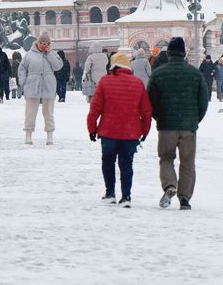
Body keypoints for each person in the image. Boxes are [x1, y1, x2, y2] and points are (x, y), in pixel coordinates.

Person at [146, 37, 209, 210]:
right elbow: (204, 100)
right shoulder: (195, 73)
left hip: (166, 126)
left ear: (168, 54)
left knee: (166, 158)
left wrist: (159, 117)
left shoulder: (158, 74)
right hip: (188, 127)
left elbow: (150, 101)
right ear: (184, 53)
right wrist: (194, 120)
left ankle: (169, 185)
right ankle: (185, 198)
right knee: (188, 162)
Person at [87, 51, 152, 207]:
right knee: (126, 164)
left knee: (108, 162)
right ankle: (126, 196)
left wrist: (92, 128)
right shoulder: (137, 83)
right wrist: (144, 132)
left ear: (112, 65)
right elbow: (146, 111)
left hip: (109, 132)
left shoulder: (104, 82)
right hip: (130, 134)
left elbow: (95, 108)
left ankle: (110, 193)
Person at [18, 32, 64, 145]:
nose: (43, 45)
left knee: (48, 111)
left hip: (48, 85)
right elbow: (22, 69)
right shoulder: (29, 55)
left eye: (45, 43)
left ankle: (49, 135)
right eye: (41, 43)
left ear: (48, 44)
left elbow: (58, 66)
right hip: (32, 84)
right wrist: (23, 82)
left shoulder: (52, 54)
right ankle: (28, 134)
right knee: (30, 112)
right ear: (37, 43)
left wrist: (49, 54)